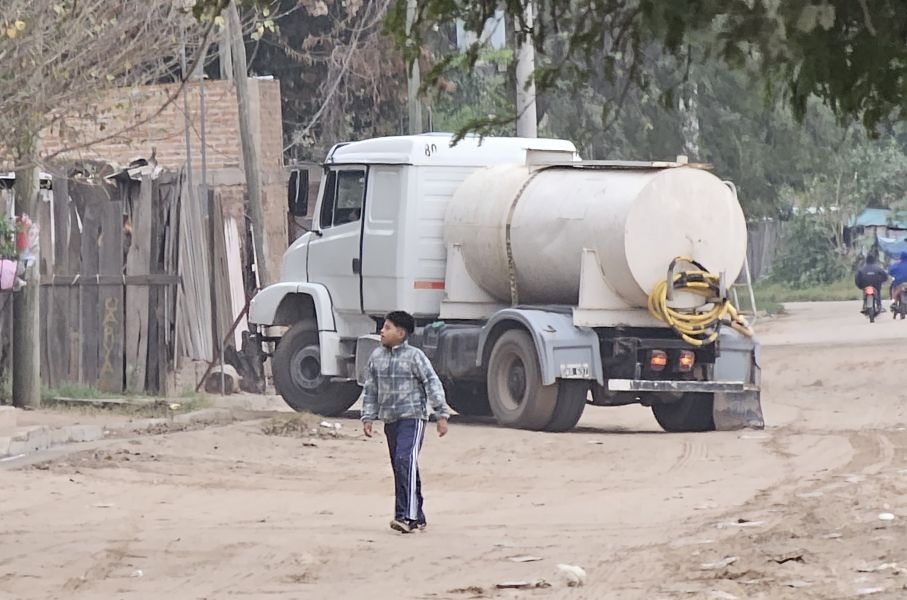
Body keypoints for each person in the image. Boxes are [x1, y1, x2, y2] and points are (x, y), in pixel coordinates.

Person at [361, 310, 451, 534]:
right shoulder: (377, 357)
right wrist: (368, 417)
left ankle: (406, 516)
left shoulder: (415, 357)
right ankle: (418, 515)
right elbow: (371, 388)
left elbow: (432, 383)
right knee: (402, 465)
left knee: (405, 459)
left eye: (387, 327)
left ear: (401, 333)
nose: (382, 331)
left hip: (413, 417)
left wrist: (441, 414)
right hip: (390, 419)